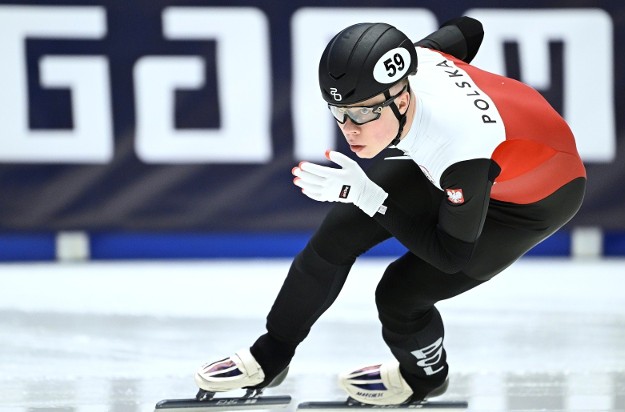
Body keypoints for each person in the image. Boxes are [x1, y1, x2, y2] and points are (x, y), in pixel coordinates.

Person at [194, 17, 586, 405]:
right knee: (337, 234)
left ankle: (423, 379)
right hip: (468, 155)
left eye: (363, 113)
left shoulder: (462, 149)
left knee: (401, 293)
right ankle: (270, 357)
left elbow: (450, 256)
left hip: (533, 200)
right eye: (338, 111)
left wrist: (371, 197)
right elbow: (469, 28)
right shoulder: (419, 59)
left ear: (401, 99)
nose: (349, 128)